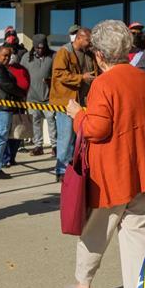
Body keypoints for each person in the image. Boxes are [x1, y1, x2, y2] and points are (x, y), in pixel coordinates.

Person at [62, 20, 145, 288]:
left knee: (96, 230)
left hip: (110, 174)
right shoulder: (141, 79)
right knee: (138, 229)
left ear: (99, 54)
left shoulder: (102, 83)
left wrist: (77, 114)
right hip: (141, 169)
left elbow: (96, 129)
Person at [50, 27, 95, 182]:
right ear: (79, 38)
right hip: (66, 102)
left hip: (83, 103)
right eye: (88, 41)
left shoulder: (89, 54)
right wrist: (81, 77)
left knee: (79, 137)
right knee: (66, 136)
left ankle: (75, 168)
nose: (90, 44)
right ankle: (61, 169)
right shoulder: (64, 52)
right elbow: (58, 74)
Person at [0, 46, 27, 180]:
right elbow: (8, 85)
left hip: (0, 108)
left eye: (9, 55)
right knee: (0, 138)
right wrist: (22, 94)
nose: (7, 58)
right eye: (4, 55)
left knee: (1, 138)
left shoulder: (0, 68)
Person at [20, 34, 57, 156]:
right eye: (37, 48)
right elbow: (21, 74)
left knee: (51, 120)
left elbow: (59, 73)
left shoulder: (53, 56)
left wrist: (51, 80)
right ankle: (38, 146)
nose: (39, 50)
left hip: (48, 97)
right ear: (33, 47)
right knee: (35, 121)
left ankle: (55, 146)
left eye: (42, 47)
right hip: (31, 97)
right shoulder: (26, 57)